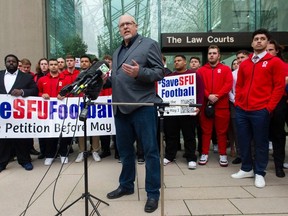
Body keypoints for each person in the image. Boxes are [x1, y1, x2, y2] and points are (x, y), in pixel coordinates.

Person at [105, 14, 164, 213]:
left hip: (143, 106)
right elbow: (117, 78)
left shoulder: (149, 44)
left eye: (128, 23)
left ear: (136, 26)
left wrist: (140, 73)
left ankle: (153, 193)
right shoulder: (116, 51)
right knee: (125, 152)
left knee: (150, 152)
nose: (125, 27)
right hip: (121, 108)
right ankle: (126, 185)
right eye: (121, 25)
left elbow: (159, 72)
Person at [231, 29, 285, 188]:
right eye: (256, 39)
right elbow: (239, 85)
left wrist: (269, 108)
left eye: (262, 39)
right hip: (242, 110)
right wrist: (238, 102)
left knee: (261, 142)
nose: (259, 41)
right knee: (243, 140)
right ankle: (246, 168)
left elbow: (279, 87)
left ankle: (260, 172)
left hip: (261, 110)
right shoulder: (245, 63)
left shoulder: (275, 62)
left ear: (268, 42)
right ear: (252, 43)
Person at [163, 54, 204, 170]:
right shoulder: (169, 76)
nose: (176, 62)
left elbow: (200, 91)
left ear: (185, 62)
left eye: (179, 60)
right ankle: (170, 156)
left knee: (189, 135)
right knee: (171, 135)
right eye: (175, 61)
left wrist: (199, 107)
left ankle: (191, 158)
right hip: (173, 111)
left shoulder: (194, 75)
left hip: (188, 110)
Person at [0, 54, 38, 172]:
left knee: (21, 139)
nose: (11, 63)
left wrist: (22, 91)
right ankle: (2, 163)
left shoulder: (26, 77)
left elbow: (34, 90)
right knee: (3, 140)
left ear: (17, 63)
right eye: (8, 61)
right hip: (3, 115)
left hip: (19, 114)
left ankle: (25, 160)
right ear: (5, 63)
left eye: (13, 61)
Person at [197, 45, 233, 167]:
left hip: (222, 106)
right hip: (206, 106)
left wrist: (217, 96)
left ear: (219, 55)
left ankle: (223, 154)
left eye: (214, 53)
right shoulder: (201, 70)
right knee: (206, 131)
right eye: (209, 53)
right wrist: (208, 95)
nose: (211, 55)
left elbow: (228, 84)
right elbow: (199, 85)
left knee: (221, 132)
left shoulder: (226, 69)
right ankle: (204, 153)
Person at [37, 59, 67, 165]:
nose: (54, 66)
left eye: (55, 64)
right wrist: (42, 95)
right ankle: (50, 155)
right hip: (47, 112)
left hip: (61, 111)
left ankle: (63, 154)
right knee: (50, 134)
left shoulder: (65, 79)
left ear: (58, 66)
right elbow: (37, 92)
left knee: (62, 133)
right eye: (52, 65)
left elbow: (71, 92)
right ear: (48, 66)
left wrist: (64, 95)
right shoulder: (42, 79)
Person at [266, 39, 288, 178]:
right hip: (262, 103)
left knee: (279, 135)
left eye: (270, 50)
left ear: (277, 51)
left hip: (280, 104)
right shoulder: (260, 66)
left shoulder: (284, 66)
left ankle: (278, 165)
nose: (268, 53)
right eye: (266, 50)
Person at [75, 55, 101, 163]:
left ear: (90, 63)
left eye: (86, 61)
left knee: (94, 127)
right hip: (80, 105)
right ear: (80, 63)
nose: (84, 63)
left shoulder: (95, 75)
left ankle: (95, 150)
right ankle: (82, 151)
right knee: (81, 129)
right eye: (82, 61)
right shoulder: (78, 75)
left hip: (93, 105)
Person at [228, 50, 250, 164]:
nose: (240, 60)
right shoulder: (233, 74)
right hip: (235, 105)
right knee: (238, 132)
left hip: (251, 105)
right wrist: (235, 100)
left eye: (243, 57)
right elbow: (230, 90)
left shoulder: (253, 71)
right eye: (238, 58)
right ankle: (240, 155)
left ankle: (252, 156)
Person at [20, 58, 40, 156]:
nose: (26, 69)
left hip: (29, 106)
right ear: (20, 67)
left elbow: (35, 90)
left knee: (29, 128)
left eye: (28, 67)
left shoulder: (32, 76)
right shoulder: (17, 76)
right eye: (24, 67)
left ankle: (30, 147)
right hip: (18, 107)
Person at [34, 58, 49, 159]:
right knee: (42, 130)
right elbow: (35, 91)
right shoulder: (35, 77)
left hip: (51, 107)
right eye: (42, 64)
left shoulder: (52, 75)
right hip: (40, 107)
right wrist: (41, 94)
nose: (44, 66)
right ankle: (43, 151)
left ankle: (51, 151)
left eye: (45, 64)